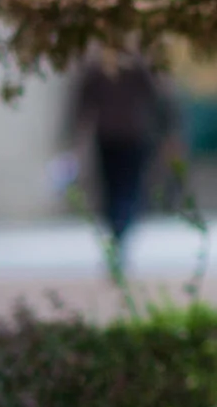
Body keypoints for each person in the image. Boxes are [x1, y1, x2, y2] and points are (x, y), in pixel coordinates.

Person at [62, 48, 171, 278]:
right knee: (124, 190)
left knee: (118, 191)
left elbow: (81, 105)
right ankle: (119, 236)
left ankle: (118, 236)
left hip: (117, 136)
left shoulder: (105, 67)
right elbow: (159, 100)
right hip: (124, 136)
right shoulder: (131, 67)